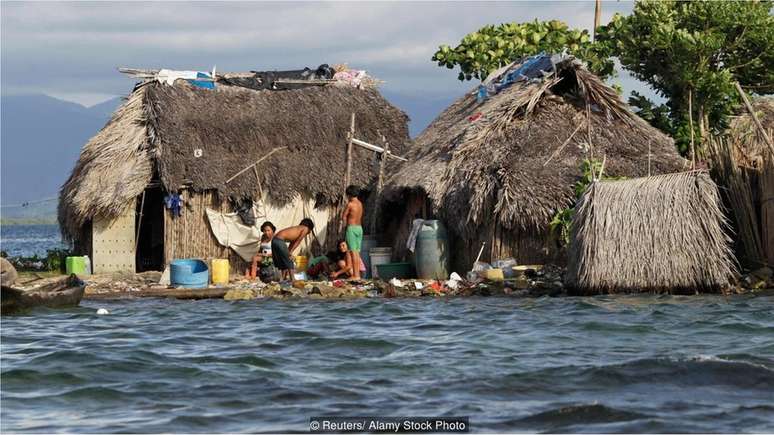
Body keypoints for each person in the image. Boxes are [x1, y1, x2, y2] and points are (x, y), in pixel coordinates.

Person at [342, 185, 363, 280]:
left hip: (352, 228)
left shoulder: (350, 204)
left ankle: (356, 275)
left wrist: (343, 228)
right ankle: (357, 274)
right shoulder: (360, 204)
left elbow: (344, 216)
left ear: (349, 194)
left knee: (353, 252)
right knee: (357, 253)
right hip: (359, 229)